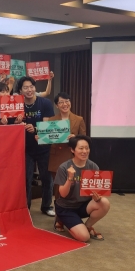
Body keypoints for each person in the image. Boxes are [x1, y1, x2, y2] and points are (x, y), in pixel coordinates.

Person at [53, 135, 110, 242]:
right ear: (72, 150)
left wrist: (97, 197)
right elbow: (63, 195)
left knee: (104, 202)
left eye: (87, 148)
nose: (85, 151)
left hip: (83, 206)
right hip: (66, 207)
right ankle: (61, 219)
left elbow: (96, 190)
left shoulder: (93, 166)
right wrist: (70, 179)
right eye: (81, 148)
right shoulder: (64, 167)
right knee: (84, 237)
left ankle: (87, 226)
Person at [47, 92, 87, 232]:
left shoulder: (78, 119)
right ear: (57, 105)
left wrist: (75, 138)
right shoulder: (51, 120)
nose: (65, 104)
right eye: (61, 102)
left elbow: (84, 139)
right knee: (58, 191)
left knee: (73, 189)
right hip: (56, 158)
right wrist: (40, 137)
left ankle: (72, 216)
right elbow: (47, 139)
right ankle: (59, 218)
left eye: (67, 101)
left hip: (73, 159)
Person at [18, 76, 55, 214]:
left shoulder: (45, 103)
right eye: (25, 87)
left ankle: (46, 206)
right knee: (26, 179)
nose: (29, 90)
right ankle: (25, 207)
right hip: (25, 148)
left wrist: (35, 128)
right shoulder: (17, 104)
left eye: (31, 87)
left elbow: (47, 125)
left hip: (43, 147)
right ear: (20, 90)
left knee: (47, 178)